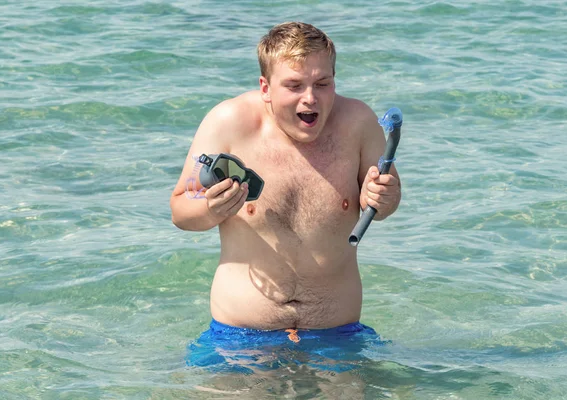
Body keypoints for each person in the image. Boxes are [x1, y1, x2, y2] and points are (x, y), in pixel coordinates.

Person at [170, 21, 401, 367]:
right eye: (294, 86)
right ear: (265, 87)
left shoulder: (359, 124)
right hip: (239, 340)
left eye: (323, 84)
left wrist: (385, 198)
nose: (311, 98)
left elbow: (384, 202)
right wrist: (211, 209)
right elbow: (180, 209)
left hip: (337, 337)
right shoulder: (228, 122)